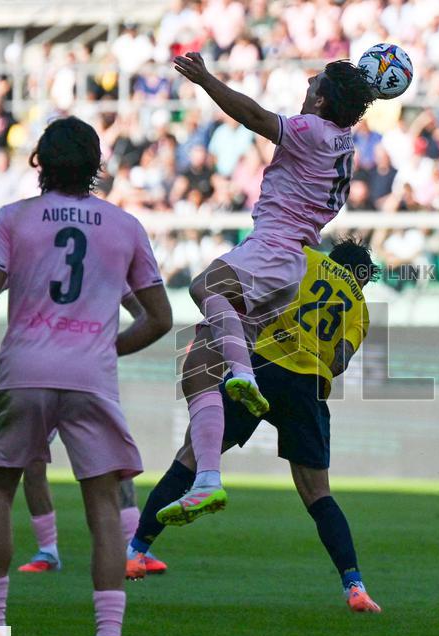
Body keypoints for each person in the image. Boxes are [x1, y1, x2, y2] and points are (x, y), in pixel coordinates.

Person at [0, 117, 172, 636]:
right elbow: (160, 319)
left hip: (24, 371)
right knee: (101, 507)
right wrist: (102, 348)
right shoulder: (125, 226)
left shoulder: (14, 219)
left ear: (39, 163)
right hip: (90, 378)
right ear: (96, 167)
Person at [167, 52, 374, 523]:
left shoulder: (312, 130)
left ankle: (245, 376)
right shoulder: (341, 142)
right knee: (199, 367)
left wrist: (205, 79)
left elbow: (255, 117)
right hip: (290, 264)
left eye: (314, 80)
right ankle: (207, 481)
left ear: (321, 99)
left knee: (205, 287)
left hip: (276, 248)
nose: (307, 81)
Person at [130, 239, 382, 613]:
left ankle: (136, 550)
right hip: (307, 387)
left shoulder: (304, 259)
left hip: (261, 365)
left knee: (194, 453)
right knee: (319, 496)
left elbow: (257, 295)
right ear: (361, 277)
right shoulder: (359, 307)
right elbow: (340, 361)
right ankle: (355, 586)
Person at [0, 296, 169, 577]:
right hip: (41, 374)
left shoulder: (100, 257)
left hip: (81, 376)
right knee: (33, 462)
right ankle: (48, 551)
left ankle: (135, 549)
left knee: (112, 465)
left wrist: (106, 347)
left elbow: (144, 311)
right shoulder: (38, 253)